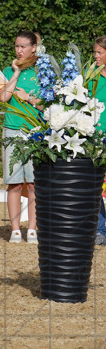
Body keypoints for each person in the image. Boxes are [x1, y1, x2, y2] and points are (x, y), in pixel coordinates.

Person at [0, 30, 41, 245]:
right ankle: (15, 230)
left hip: (37, 133)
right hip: (12, 131)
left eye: (23, 46)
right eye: (16, 46)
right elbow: (4, 97)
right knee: (13, 183)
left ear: (34, 47)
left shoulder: (44, 71)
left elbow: (50, 104)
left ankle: (32, 229)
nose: (19, 50)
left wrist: (29, 98)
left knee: (34, 183)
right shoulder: (8, 70)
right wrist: (14, 74)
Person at [91, 36, 106, 246]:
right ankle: (99, 230)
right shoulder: (90, 78)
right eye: (94, 52)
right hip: (94, 138)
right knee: (96, 186)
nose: (95, 56)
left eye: (99, 52)